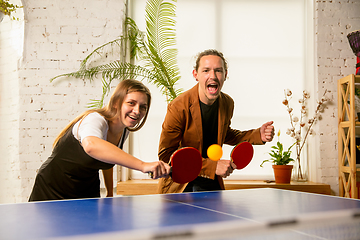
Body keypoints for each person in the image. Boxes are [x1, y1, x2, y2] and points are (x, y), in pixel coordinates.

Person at [29, 79, 170, 201]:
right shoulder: (95, 119)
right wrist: (143, 165)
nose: (137, 111)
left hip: (85, 188)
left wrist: (109, 192)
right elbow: (91, 145)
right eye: (131, 103)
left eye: (143, 107)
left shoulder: (123, 130)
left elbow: (108, 157)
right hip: (53, 188)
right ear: (116, 102)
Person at [157, 49, 275, 193]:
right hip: (181, 186)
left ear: (225, 75)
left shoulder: (227, 103)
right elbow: (166, 154)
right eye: (206, 70)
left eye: (218, 70)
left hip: (211, 182)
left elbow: (225, 134)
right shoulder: (178, 107)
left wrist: (258, 135)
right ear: (196, 75)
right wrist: (212, 167)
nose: (212, 76)